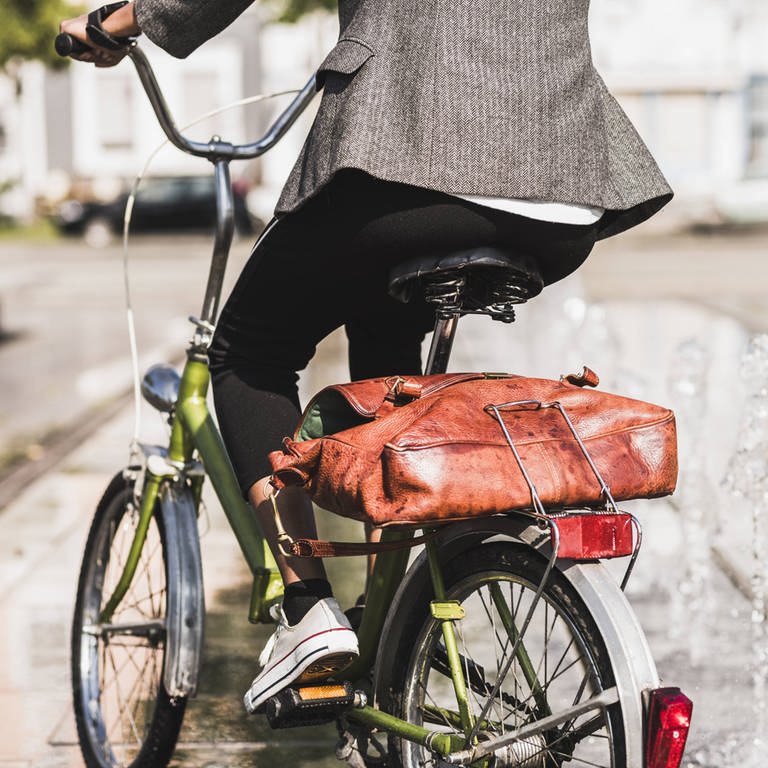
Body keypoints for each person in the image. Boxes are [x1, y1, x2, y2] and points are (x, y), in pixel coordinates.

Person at [60, 0, 673, 714]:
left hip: (412, 152)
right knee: (388, 360)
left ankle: (308, 609)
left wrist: (121, 20)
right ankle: (390, 632)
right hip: (566, 183)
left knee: (249, 352)